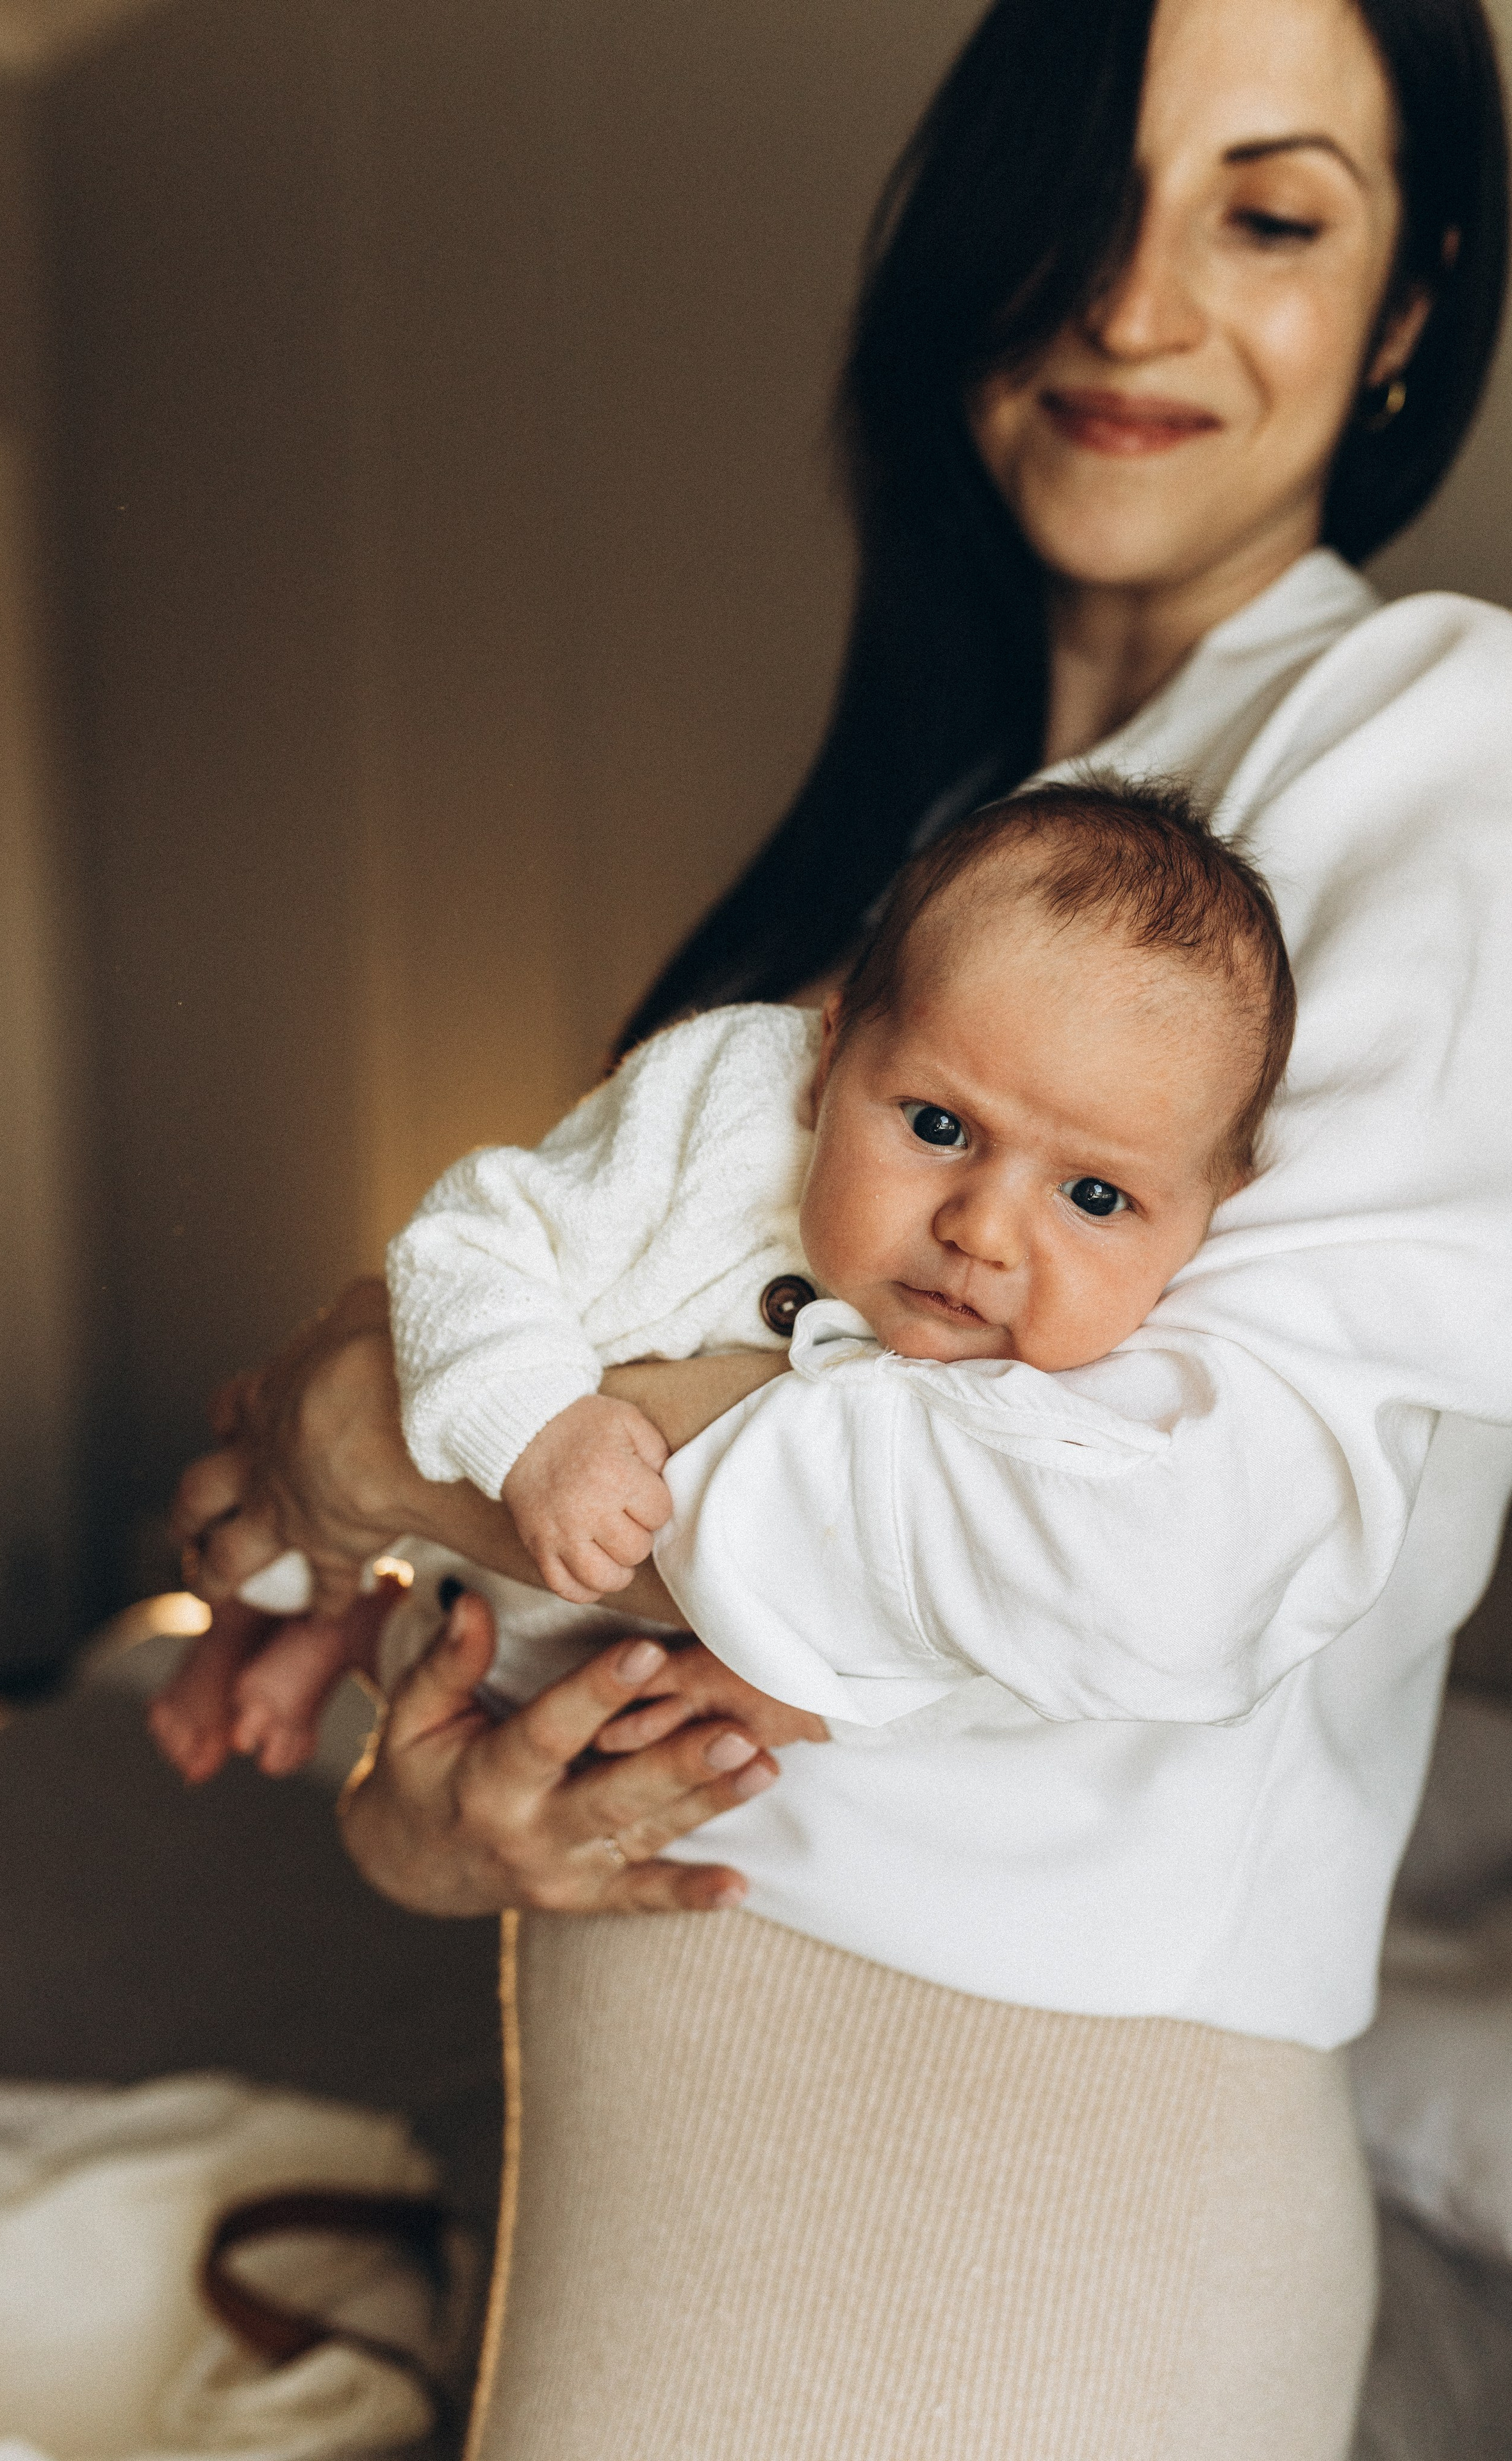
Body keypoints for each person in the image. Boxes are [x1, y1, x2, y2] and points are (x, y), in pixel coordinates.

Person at [170, 0, 1512, 2453]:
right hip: (649, 2210)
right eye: (1079, 201)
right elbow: (712, 1488)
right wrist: (441, 1785)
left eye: (1273, 213)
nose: (1131, 303)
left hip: (1030, 2240)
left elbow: (1203, 1539)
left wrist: (394, 1439)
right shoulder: (944, 837)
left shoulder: (1442, 741)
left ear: (1412, 306)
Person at [153, 776, 1296, 1777]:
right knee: (289, 1517)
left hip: (572, 1669)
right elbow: (471, 1237)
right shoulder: (723, 1114)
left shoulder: (1117, 1385)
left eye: (1094, 1198)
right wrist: (540, 1428)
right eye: (939, 1125)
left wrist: (819, 1706)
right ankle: (260, 1628)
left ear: (1206, 1218)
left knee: (468, 1655)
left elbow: (993, 1636)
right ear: (831, 1055)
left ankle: (346, 1639)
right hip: (474, 1481)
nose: (984, 1233)